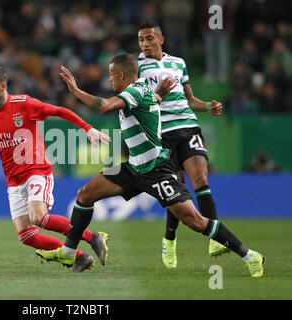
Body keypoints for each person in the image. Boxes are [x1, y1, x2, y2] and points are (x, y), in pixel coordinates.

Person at [36, 53, 264, 278]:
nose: (109, 80)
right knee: (85, 195)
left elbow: (105, 106)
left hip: (156, 169)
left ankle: (249, 255)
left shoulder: (133, 91)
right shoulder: (142, 89)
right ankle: (68, 251)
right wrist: (159, 93)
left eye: (111, 76)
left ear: (122, 74)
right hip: (134, 167)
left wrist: (76, 91)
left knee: (195, 221)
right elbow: (151, 100)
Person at [0, 65, 111, 272]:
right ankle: (80, 257)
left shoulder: (25, 104)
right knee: (27, 236)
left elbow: (60, 111)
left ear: (3, 86)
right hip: (14, 181)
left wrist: (88, 129)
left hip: (36, 172)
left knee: (38, 217)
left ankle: (92, 236)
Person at [137, 19, 229, 269]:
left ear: (161, 39)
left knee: (201, 180)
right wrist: (158, 92)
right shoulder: (136, 67)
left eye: (149, 38)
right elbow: (137, 102)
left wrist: (208, 106)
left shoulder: (178, 63)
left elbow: (190, 99)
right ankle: (169, 239)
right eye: (141, 40)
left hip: (188, 127)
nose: (145, 44)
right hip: (161, 133)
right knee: (177, 190)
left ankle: (216, 238)